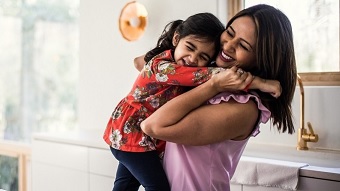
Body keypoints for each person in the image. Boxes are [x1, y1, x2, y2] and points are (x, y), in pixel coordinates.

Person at [141, 4, 297, 191]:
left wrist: (214, 85)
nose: (228, 46)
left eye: (243, 46)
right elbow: (142, 62)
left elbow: (153, 126)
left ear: (261, 59)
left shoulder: (242, 108)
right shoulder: (208, 77)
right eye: (230, 33)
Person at [103, 12, 226, 191]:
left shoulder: (178, 68)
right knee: (157, 187)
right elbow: (204, 75)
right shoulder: (163, 65)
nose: (193, 59)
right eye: (190, 47)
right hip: (130, 132)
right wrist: (254, 80)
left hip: (139, 138)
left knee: (125, 186)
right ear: (177, 38)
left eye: (203, 57)